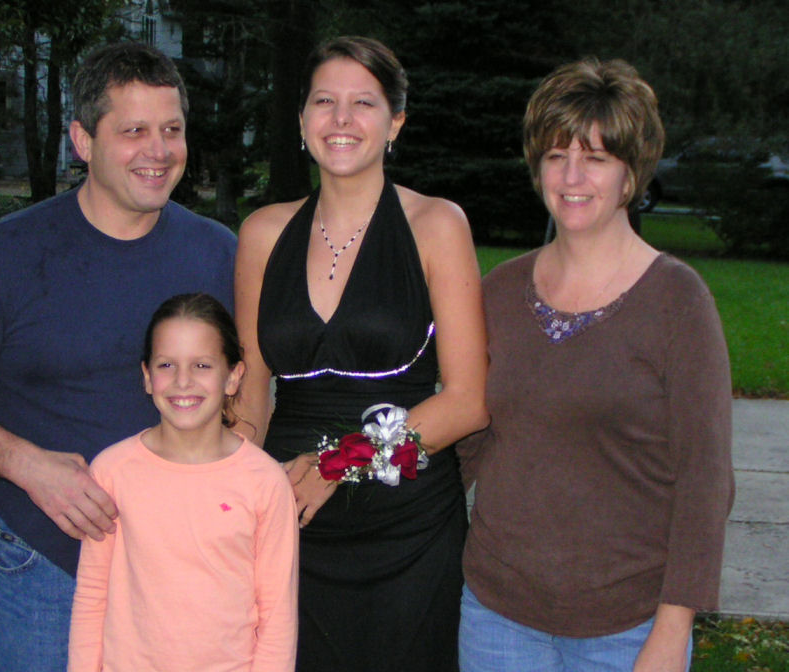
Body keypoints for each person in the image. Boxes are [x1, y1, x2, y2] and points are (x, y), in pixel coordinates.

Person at [0, 42, 237, 672]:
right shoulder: (6, 255)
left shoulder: (218, 253)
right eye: (134, 131)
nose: (159, 150)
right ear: (83, 140)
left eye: (172, 130)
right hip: (48, 569)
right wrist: (25, 465)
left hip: (187, 563)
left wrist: (234, 473)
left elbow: (252, 381)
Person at [456, 58, 734, 672]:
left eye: (597, 157)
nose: (572, 176)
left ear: (631, 173)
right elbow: (466, 443)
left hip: (628, 627)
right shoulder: (498, 292)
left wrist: (672, 631)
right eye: (556, 155)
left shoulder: (677, 301)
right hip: (498, 617)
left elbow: (705, 481)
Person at [234, 36, 489, 672]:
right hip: (291, 529)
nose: (342, 119)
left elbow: (467, 402)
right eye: (324, 101)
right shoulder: (262, 233)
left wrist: (336, 464)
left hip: (408, 536)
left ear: (395, 122)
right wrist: (236, 488)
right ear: (301, 120)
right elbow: (250, 396)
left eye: (364, 103)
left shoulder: (437, 225)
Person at [68, 293, 298, 672]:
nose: (183, 381)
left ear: (233, 376)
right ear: (147, 376)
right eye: (166, 365)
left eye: (202, 365)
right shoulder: (112, 471)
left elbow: (278, 615)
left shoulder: (265, 482)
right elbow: (92, 596)